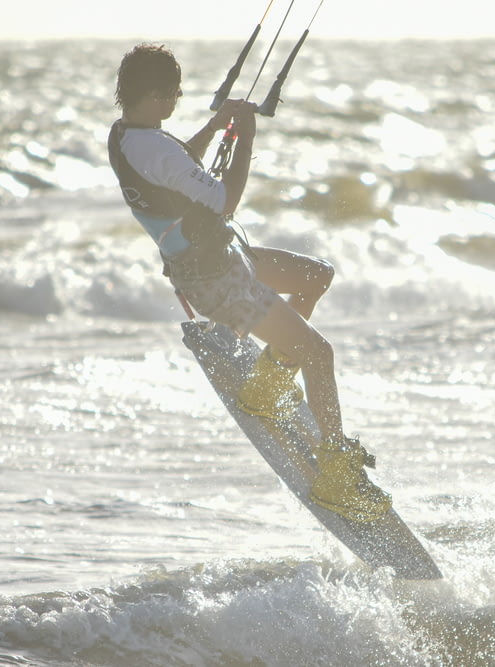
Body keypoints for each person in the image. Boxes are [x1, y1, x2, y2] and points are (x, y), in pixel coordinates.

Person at [107, 43, 390, 523]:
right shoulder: (152, 145)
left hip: (220, 257)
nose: (179, 97)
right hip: (216, 278)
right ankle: (336, 476)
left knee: (314, 276)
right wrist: (247, 139)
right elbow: (225, 201)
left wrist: (215, 129)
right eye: (175, 92)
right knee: (318, 354)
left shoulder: (130, 136)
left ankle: (269, 382)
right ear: (154, 95)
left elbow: (172, 166)